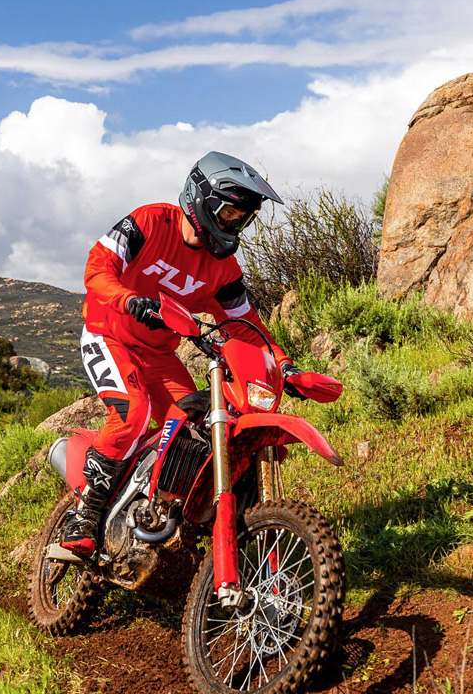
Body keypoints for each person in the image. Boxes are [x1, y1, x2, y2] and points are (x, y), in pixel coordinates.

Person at [62, 151, 305, 556]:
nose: (233, 225)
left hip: (160, 354)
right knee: (133, 412)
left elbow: (247, 325)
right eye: (229, 214)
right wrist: (128, 300)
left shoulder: (224, 270)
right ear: (202, 200)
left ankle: (163, 513)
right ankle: (84, 511)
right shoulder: (148, 222)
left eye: (242, 219)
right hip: (108, 334)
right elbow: (97, 267)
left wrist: (284, 365)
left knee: (195, 430)